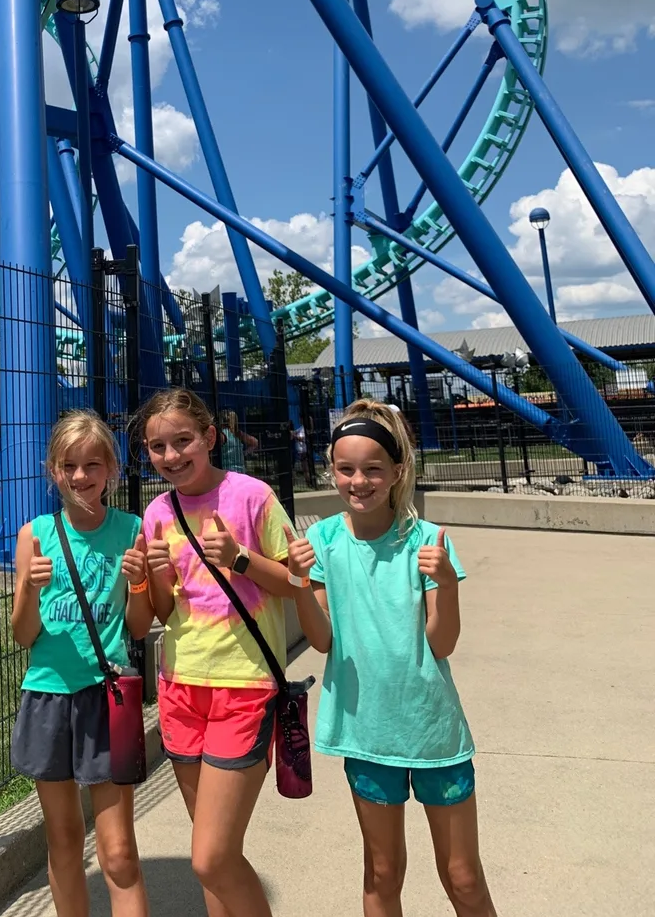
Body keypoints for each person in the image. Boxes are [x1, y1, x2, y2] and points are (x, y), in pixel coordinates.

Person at [288, 398, 497, 917]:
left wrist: (446, 583)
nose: (359, 482)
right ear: (331, 471)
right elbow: (323, 640)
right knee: (382, 874)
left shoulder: (427, 543)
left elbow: (442, 643)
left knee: (464, 877)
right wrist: (296, 584)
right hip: (367, 733)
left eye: (373, 469)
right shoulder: (322, 541)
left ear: (398, 470)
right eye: (345, 469)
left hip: (432, 732)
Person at [140, 388, 292, 917]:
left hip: (244, 684)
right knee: (214, 853)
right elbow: (164, 611)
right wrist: (151, 576)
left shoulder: (252, 496)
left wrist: (242, 559)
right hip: (181, 685)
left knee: (210, 857)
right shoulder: (156, 513)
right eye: (157, 447)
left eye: (182, 441)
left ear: (209, 437)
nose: (171, 456)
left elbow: (298, 581)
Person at [10, 410, 153, 917]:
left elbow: (138, 627)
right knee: (64, 839)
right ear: (53, 470)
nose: (80, 476)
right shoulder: (34, 535)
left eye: (93, 464)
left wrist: (139, 583)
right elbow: (23, 634)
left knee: (118, 852)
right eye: (69, 465)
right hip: (47, 694)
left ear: (111, 469)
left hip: (105, 698)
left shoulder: (133, 530)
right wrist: (28, 586)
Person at [219, 408, 258, 474]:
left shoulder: (222, 435)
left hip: (227, 472)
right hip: (241, 471)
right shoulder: (238, 433)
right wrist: (244, 453)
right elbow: (255, 442)